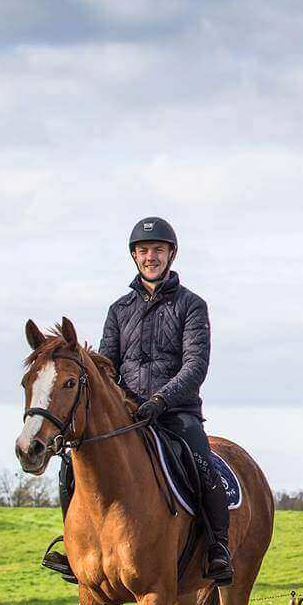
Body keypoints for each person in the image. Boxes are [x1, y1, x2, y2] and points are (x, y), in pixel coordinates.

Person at [41, 217, 234, 585]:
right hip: (128, 414)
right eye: (144, 250)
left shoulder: (192, 305)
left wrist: (161, 400)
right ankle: (74, 549)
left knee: (202, 464)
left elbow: (195, 365)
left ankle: (217, 548)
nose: (150, 257)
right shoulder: (119, 310)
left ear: (171, 254)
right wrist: (118, 403)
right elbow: (105, 365)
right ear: (134, 256)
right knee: (70, 467)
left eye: (158, 250)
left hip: (176, 412)